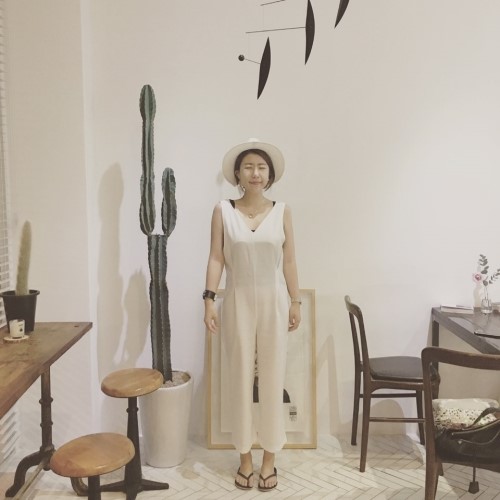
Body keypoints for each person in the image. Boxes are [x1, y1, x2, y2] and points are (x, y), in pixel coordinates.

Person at [203, 138, 301, 491]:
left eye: (261, 167)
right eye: (248, 167)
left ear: (270, 175)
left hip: (274, 301)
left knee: (273, 378)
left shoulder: (282, 211)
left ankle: (270, 459)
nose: (255, 173)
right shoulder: (223, 211)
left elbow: (289, 260)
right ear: (237, 174)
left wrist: (295, 301)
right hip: (237, 300)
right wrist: (209, 300)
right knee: (240, 378)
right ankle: (245, 459)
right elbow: (216, 257)